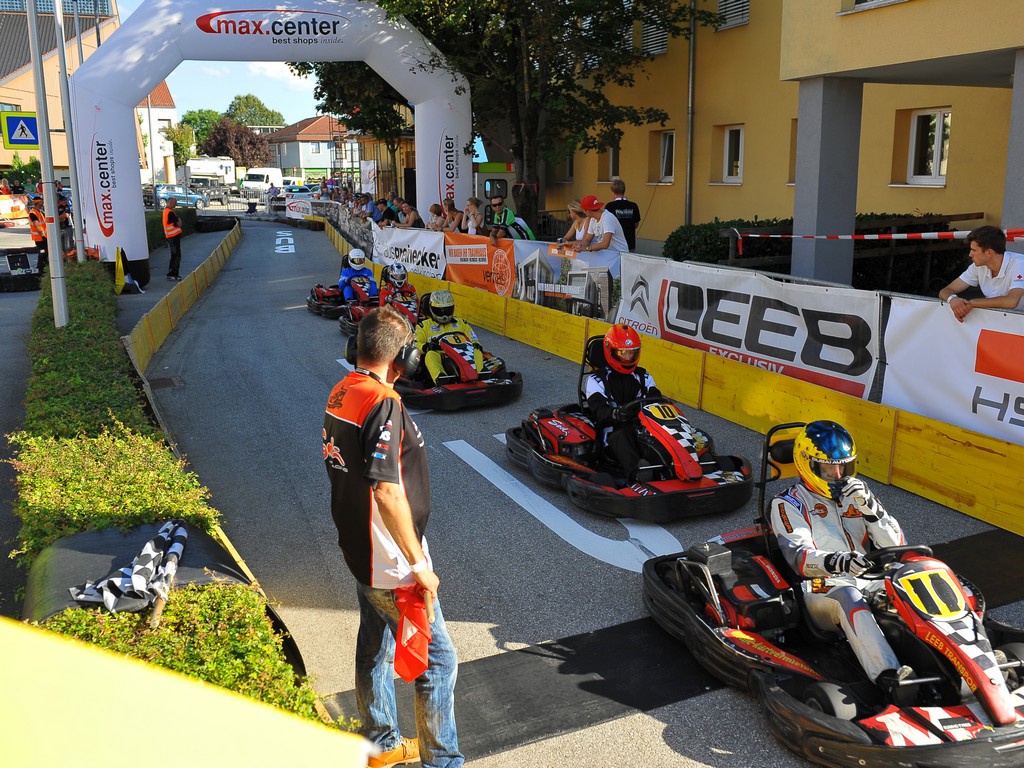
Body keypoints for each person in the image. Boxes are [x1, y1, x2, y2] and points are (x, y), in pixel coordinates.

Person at [322, 306, 464, 768]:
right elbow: (386, 489)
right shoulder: (383, 402)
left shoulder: (344, 390)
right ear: (403, 357)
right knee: (438, 662)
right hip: (393, 562)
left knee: (374, 649)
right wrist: (419, 565)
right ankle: (442, 761)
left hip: (361, 552)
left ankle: (381, 744)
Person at [769, 420, 913, 699]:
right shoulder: (788, 503)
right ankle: (890, 678)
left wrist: (870, 509)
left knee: (912, 579)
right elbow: (800, 558)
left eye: (844, 467)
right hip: (822, 587)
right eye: (828, 468)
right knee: (849, 596)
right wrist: (839, 561)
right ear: (808, 465)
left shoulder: (859, 494)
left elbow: (897, 545)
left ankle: (959, 657)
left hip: (866, 575)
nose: (838, 475)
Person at [584, 324, 662, 481]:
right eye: (623, 353)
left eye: (631, 353)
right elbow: (599, 410)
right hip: (613, 431)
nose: (628, 358)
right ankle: (638, 474)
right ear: (611, 352)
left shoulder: (644, 376)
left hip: (643, 426)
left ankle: (680, 465)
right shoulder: (596, 380)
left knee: (663, 432)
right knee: (622, 436)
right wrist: (615, 414)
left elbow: (655, 400)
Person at [938, 225, 1024, 322]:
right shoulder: (977, 266)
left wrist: (972, 303)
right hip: (1000, 323)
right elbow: (945, 291)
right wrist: (952, 299)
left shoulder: (1020, 263)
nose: (970, 254)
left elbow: (1012, 301)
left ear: (989, 253)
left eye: (974, 250)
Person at [414, 290, 484, 384]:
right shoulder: (424, 326)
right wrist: (427, 347)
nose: (444, 315)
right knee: (430, 354)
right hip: (440, 356)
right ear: (431, 308)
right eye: (440, 311)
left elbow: (473, 338)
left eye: (447, 310)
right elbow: (415, 344)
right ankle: (441, 378)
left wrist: (476, 344)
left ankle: (481, 372)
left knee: (477, 350)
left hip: (464, 354)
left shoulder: (461, 323)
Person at [602, 180, 641, 252]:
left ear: (613, 192)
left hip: (614, 244)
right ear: (624, 191)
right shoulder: (633, 205)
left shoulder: (610, 206)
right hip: (630, 242)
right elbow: (636, 224)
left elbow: (606, 224)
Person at [162, 197, 183, 280]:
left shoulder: (166, 211)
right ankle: (172, 274)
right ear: (170, 203)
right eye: (175, 202)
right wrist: (179, 220)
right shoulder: (170, 213)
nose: (176, 204)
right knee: (176, 255)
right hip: (173, 237)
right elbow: (179, 223)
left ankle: (173, 274)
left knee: (175, 255)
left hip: (171, 237)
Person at [27, 195, 49, 275]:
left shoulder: (39, 212)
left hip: (43, 237)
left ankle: (44, 268)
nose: (43, 203)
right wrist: (43, 236)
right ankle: (40, 269)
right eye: (42, 202)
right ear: (39, 202)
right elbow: (37, 226)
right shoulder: (33, 213)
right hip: (40, 238)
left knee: (45, 253)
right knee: (42, 253)